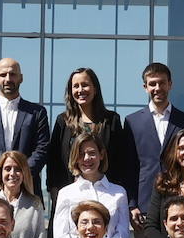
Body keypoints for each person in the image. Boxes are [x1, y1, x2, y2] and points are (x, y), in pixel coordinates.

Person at [122, 62, 184, 237]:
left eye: (162, 83)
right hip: (145, 206)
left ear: (170, 84)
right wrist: (132, 205)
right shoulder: (132, 122)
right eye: (152, 84)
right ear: (145, 87)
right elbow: (128, 167)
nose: (157, 88)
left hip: (180, 202)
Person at [0, 57, 51, 204]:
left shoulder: (37, 113)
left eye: (12, 74)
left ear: (21, 78)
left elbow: (42, 149)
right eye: (3, 75)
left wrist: (19, 178)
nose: (8, 79)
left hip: (27, 192)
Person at [47, 67, 130, 206]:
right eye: (76, 86)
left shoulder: (111, 120)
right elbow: (53, 163)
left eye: (85, 85)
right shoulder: (63, 121)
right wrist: (56, 195)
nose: (80, 90)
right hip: (71, 198)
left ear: (95, 89)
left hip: (105, 196)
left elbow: (121, 161)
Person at [52, 132, 131, 238]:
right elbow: (61, 235)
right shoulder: (65, 193)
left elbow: (122, 233)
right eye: (81, 154)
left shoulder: (119, 193)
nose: (86, 158)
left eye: (92, 153)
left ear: (101, 155)